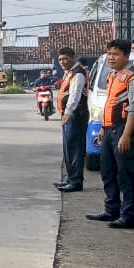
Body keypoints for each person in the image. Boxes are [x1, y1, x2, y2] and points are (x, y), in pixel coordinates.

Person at [87, 39, 134, 229]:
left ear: (126, 56)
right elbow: (110, 105)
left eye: (116, 54)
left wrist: (126, 135)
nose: (111, 58)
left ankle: (128, 216)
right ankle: (111, 209)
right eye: (109, 54)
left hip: (124, 129)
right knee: (107, 170)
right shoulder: (112, 75)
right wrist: (104, 129)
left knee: (125, 173)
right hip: (110, 129)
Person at [54, 47, 89, 193]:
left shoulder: (78, 74)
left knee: (75, 149)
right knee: (68, 149)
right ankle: (70, 178)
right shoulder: (69, 73)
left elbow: (74, 96)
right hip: (68, 115)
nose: (62, 62)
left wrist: (67, 113)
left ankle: (75, 182)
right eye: (60, 59)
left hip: (75, 115)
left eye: (65, 59)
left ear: (73, 58)